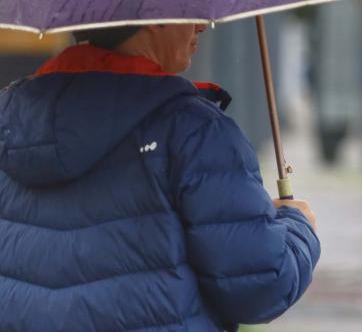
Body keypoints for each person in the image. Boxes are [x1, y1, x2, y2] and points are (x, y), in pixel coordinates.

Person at [0, 24, 320, 332]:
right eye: (189, 12)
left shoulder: (11, 122)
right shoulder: (193, 132)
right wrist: (297, 226)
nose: (200, 26)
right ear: (153, 20)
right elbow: (259, 287)